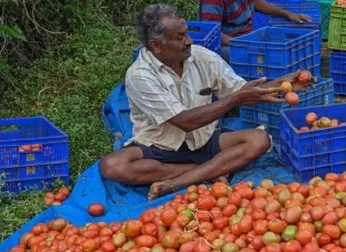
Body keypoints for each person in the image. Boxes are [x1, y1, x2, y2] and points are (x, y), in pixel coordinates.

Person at [99, 4, 310, 200]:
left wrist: (282, 83)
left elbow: (242, 92)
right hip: (160, 146)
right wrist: (234, 100)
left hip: (204, 140)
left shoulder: (202, 57)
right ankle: (210, 170)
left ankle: (178, 181)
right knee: (112, 166)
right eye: (180, 37)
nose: (189, 40)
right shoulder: (140, 76)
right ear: (156, 45)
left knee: (260, 140)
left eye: (187, 33)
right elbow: (185, 121)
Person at [200, 0, 312, 62]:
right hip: (225, 46)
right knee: (264, 58)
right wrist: (241, 43)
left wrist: (286, 13)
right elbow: (211, 32)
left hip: (246, 38)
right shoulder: (212, 2)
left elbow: (256, 3)